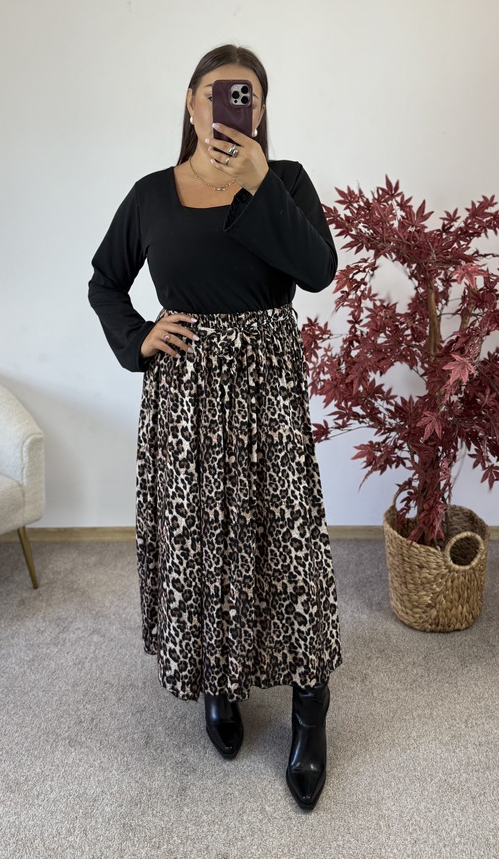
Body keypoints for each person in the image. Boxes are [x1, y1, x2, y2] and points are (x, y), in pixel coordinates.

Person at [88, 44, 342, 810]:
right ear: (191, 102)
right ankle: (218, 684)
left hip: (267, 387)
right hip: (186, 396)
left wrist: (257, 179)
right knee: (203, 542)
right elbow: (104, 282)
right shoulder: (151, 195)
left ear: (259, 109)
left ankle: (308, 713)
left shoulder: (284, 181)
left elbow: (317, 271)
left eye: (247, 95)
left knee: (287, 542)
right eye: (217, 91)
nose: (232, 104)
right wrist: (139, 337)